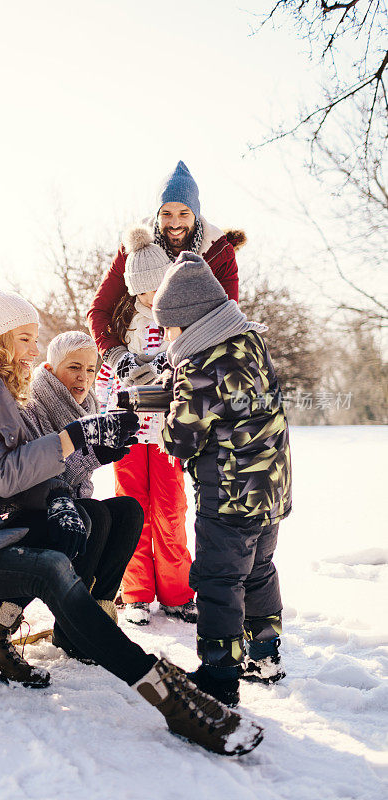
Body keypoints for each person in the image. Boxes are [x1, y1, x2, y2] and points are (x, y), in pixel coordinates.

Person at [0, 282, 263, 757]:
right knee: (50, 566)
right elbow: (0, 471)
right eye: (26, 339)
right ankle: (168, 697)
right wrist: (75, 438)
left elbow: (14, 479)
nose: (35, 352)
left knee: (86, 518)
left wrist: (88, 452)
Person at [152, 252, 292, 708]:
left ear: (191, 322)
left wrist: (161, 419)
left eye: (170, 328)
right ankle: (265, 655)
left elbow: (181, 440)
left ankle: (219, 673)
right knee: (258, 571)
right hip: (271, 488)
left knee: (217, 580)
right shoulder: (250, 342)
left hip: (230, 494)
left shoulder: (200, 365)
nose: (168, 337)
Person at [95, 226, 195, 626]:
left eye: (159, 287)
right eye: (144, 290)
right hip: (129, 432)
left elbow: (189, 368)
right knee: (132, 510)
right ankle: (135, 592)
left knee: (170, 509)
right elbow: (106, 381)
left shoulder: (180, 323)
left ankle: (177, 591)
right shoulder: (122, 327)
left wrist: (165, 367)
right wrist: (109, 398)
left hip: (167, 432)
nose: (152, 297)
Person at [24, 329, 143, 656]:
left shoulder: (87, 406)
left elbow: (80, 472)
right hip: (37, 508)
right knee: (97, 514)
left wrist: (108, 448)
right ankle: (72, 626)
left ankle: (100, 613)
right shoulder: (34, 407)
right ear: (50, 370)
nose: (84, 378)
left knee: (129, 511)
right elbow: (42, 475)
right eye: (74, 367)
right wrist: (95, 454)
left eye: (91, 369)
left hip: (73, 503)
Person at [87, 160, 242, 378]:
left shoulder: (218, 254)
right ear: (157, 214)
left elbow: (226, 322)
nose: (175, 223)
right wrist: (118, 357)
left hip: (195, 369)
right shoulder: (133, 251)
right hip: (136, 353)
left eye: (184, 213)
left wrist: (171, 358)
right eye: (166, 213)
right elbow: (98, 310)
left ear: (196, 214)